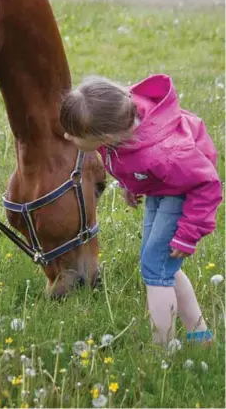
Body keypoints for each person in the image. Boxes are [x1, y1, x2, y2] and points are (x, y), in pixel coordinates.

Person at [60, 74, 222, 345]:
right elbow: (126, 159)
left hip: (183, 193)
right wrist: (131, 183)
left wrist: (188, 233)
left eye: (74, 135)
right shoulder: (117, 119)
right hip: (163, 188)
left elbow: (207, 184)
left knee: (154, 270)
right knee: (161, 265)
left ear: (106, 136)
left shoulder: (167, 154)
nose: (67, 136)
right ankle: (199, 334)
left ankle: (163, 350)